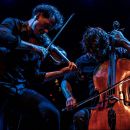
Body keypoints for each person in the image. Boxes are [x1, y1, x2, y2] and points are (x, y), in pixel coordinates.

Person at [0, 3, 77, 130]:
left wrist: (61, 72)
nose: (46, 32)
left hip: (18, 90)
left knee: (51, 113)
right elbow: (3, 37)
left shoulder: (39, 44)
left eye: (49, 29)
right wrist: (32, 47)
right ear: (38, 16)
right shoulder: (13, 24)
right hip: (2, 85)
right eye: (46, 26)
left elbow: (35, 77)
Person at [61, 27, 130, 130]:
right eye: (92, 52)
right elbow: (65, 81)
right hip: (98, 107)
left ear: (107, 45)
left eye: (99, 51)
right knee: (79, 117)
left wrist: (124, 42)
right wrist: (69, 97)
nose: (96, 55)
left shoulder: (120, 52)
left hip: (124, 102)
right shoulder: (83, 61)